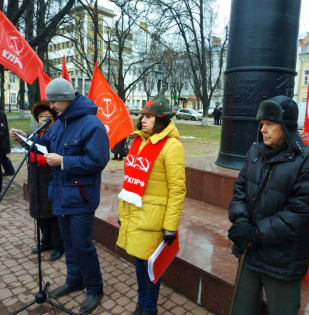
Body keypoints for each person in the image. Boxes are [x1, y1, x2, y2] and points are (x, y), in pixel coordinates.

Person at [11, 78, 109, 314]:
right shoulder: (60, 122)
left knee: (82, 244)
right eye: (50, 100)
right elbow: (45, 142)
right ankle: (74, 279)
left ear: (67, 98)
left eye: (55, 100)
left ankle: (94, 288)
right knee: (68, 242)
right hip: (61, 194)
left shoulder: (91, 125)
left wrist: (64, 161)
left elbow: (97, 161)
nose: (51, 105)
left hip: (81, 196)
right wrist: (26, 138)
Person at [227, 95, 309, 315]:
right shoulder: (255, 151)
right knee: (241, 309)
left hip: (283, 260)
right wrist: (241, 222)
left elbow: (299, 214)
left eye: (270, 124)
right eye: (261, 124)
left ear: (287, 127)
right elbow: (240, 189)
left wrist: (253, 232)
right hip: (250, 252)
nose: (263, 129)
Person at [116, 93, 186, 315]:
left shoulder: (171, 146)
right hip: (135, 214)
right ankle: (141, 302)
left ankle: (149, 307)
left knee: (150, 267)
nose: (142, 120)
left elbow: (177, 190)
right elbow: (130, 181)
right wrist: (123, 212)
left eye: (148, 117)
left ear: (161, 120)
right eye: (141, 116)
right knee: (139, 263)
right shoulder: (139, 140)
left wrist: (170, 226)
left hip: (154, 220)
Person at [12, 101, 64, 261]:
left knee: (52, 214)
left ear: (55, 119)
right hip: (35, 179)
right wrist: (22, 138)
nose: (43, 120)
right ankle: (45, 241)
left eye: (48, 117)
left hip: (50, 179)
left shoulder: (58, 136)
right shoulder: (37, 135)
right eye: (40, 117)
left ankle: (58, 245)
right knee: (39, 212)